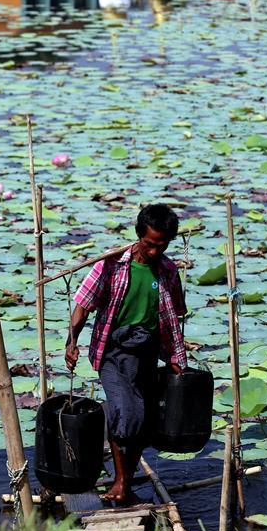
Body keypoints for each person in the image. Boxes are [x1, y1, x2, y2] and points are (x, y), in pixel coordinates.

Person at [65, 203, 188, 503]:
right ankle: (121, 483)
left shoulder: (168, 271)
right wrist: (72, 341)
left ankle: (124, 483)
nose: (154, 252)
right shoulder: (110, 265)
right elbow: (83, 304)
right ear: (138, 236)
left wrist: (176, 359)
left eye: (162, 246)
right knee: (126, 414)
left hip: (146, 351)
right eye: (149, 245)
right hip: (114, 351)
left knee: (144, 422)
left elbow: (174, 318)